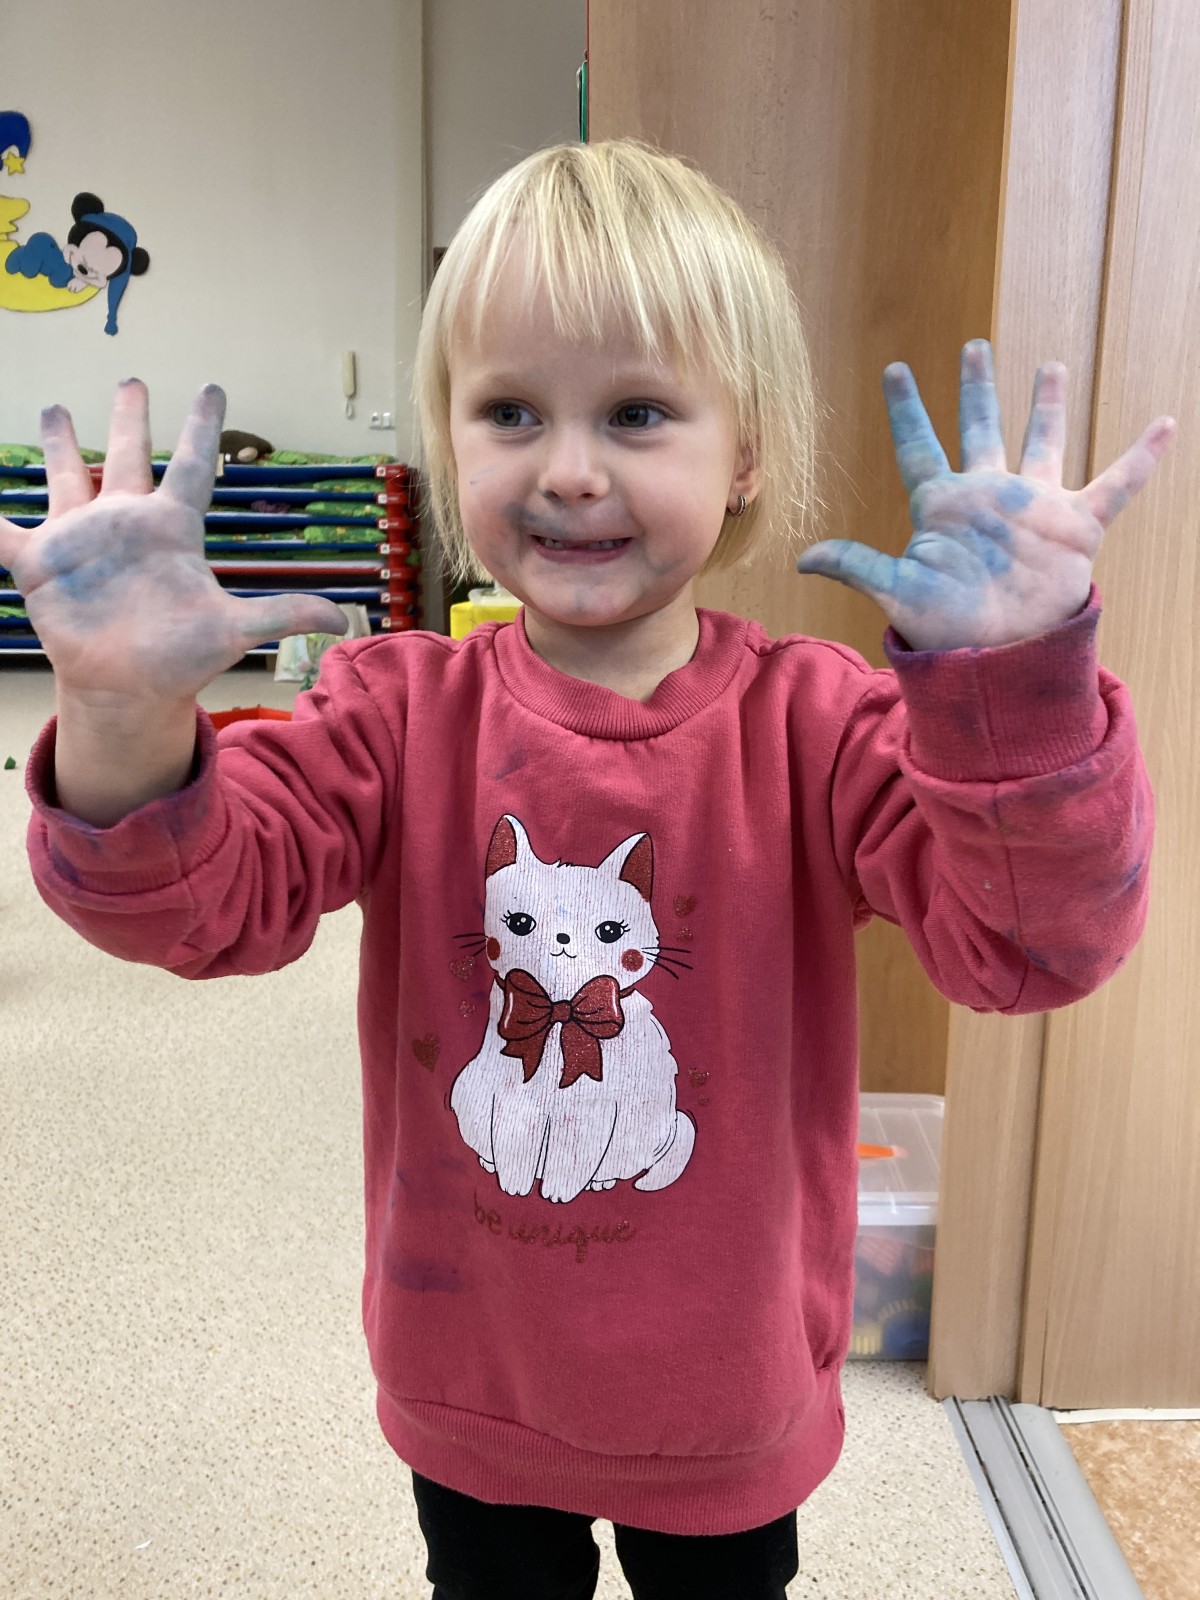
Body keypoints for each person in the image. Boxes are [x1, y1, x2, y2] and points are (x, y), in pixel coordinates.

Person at [4, 139, 1174, 1600]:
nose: (566, 470)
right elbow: (197, 910)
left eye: (636, 412)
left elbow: (1034, 947)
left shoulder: (821, 726)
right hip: (473, 1379)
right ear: (451, 438)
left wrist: (1012, 688)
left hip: (726, 1393)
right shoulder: (393, 708)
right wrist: (121, 714)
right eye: (509, 411)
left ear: (745, 454)